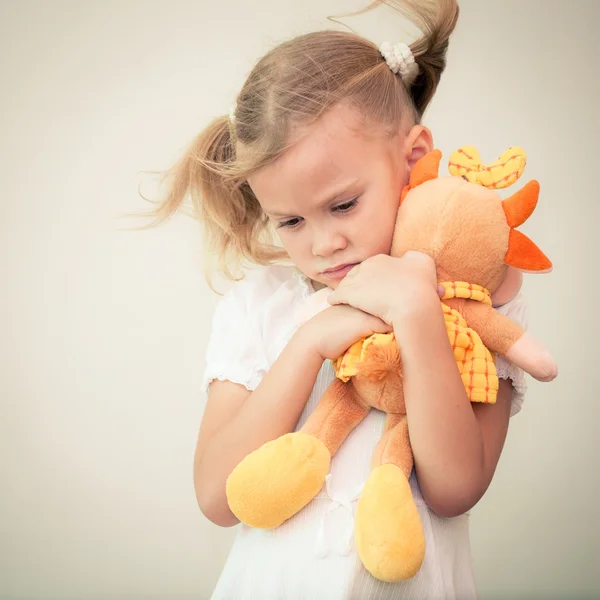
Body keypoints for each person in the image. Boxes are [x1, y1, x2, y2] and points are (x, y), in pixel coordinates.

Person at [149, 1, 529, 597]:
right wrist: (310, 342)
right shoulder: (262, 304)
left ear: (413, 155)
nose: (325, 243)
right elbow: (218, 498)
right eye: (291, 221)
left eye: (344, 204)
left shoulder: (477, 304)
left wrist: (417, 314)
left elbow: (456, 488)